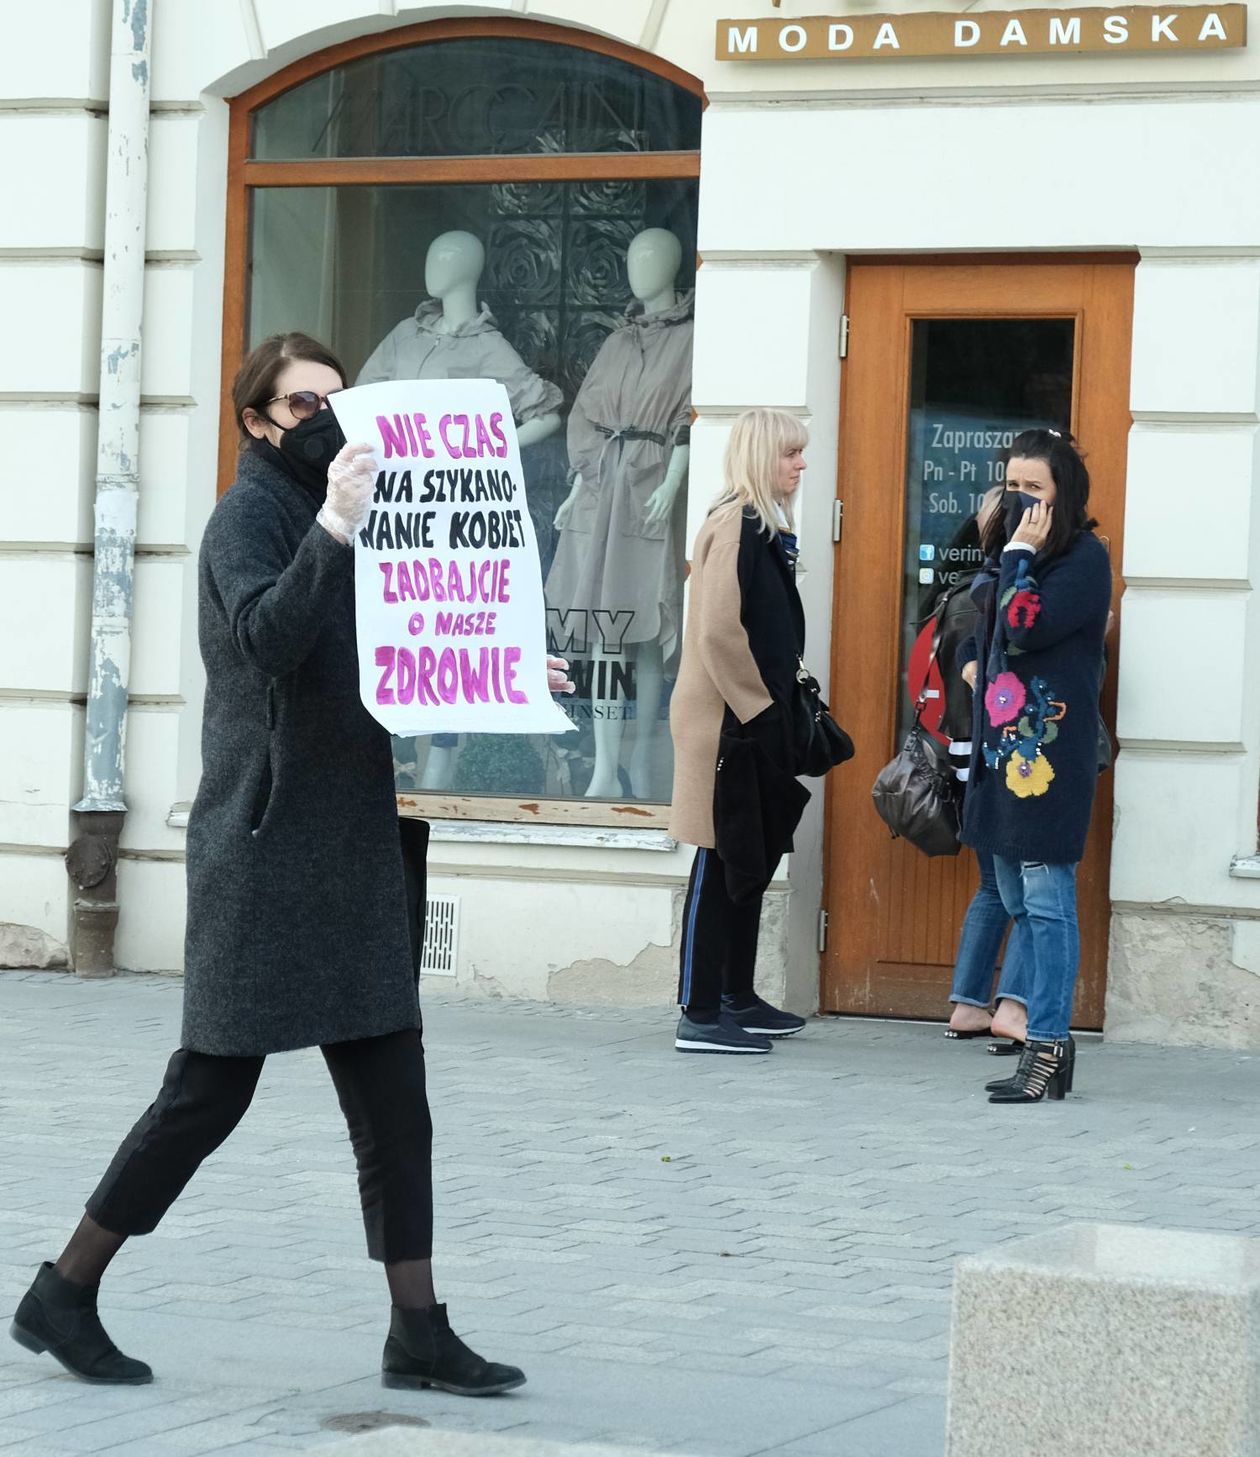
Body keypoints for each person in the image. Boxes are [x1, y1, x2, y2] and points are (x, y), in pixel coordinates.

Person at [9, 333, 573, 1391]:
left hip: (355, 841)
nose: (322, 415)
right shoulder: (249, 519)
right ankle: (66, 1287)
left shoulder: (367, 509)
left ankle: (418, 1327)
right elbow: (270, 637)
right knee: (207, 1093)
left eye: (334, 397)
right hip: (264, 848)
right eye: (300, 401)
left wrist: (501, 661)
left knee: (396, 1100)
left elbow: (409, 642)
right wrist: (332, 526)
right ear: (258, 420)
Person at [959, 428, 1111, 1102]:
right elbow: (981, 625)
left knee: (1047, 903)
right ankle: (1052, 1044)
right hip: (1002, 755)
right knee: (1018, 898)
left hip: (1047, 762)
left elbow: (1024, 625)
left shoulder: (1083, 558)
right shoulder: (1009, 553)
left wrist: (1018, 556)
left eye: (1035, 490)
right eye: (1013, 486)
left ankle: (1047, 1044)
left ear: (1063, 495)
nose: (1022, 501)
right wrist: (1006, 551)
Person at [668, 409, 814, 1054]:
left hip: (747, 717)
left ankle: (736, 996)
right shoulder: (736, 524)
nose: (801, 464)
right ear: (762, 457)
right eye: (790, 454)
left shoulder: (757, 525)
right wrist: (759, 707)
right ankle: (700, 1012)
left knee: (745, 855)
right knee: (716, 855)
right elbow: (719, 630)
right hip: (726, 721)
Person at [938, 488, 1030, 1043]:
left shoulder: (966, 590)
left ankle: (968, 1004)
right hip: (1003, 754)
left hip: (970, 752)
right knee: (1025, 887)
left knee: (995, 887)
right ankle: (1011, 1007)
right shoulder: (1001, 592)